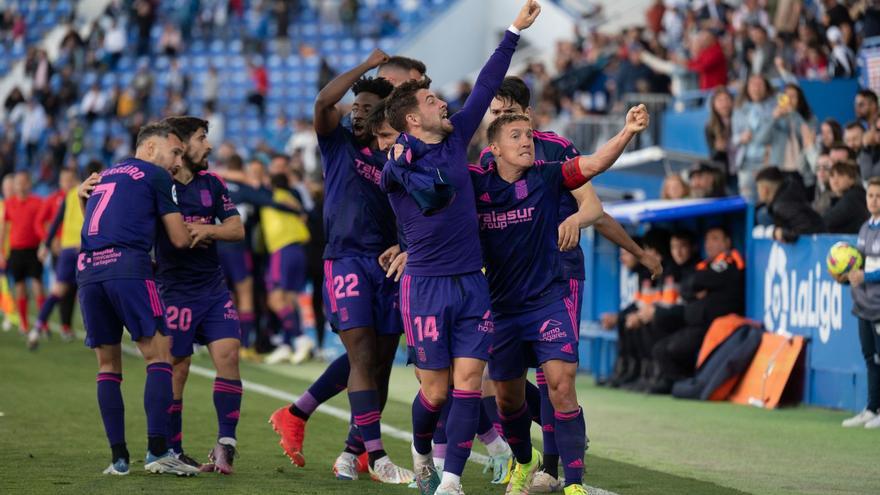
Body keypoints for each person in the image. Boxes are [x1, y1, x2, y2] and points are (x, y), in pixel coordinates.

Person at [380, 3, 541, 494]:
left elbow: (488, 85)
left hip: (473, 280)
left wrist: (513, 30)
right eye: (431, 100)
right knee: (436, 391)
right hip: (426, 286)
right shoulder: (396, 164)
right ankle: (421, 450)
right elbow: (426, 195)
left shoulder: (454, 140)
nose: (442, 103)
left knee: (470, 381)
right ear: (413, 116)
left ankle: (451, 481)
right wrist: (404, 156)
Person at [477, 75, 659, 491]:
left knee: (558, 379)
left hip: (556, 280)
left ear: (523, 112)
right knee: (503, 392)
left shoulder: (550, 160)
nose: (516, 133)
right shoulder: (481, 174)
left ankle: (563, 474)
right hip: (504, 298)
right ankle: (530, 457)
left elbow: (593, 194)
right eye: (499, 119)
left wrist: (627, 132)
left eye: (508, 114)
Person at [270, 51, 413, 484]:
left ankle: (345, 449)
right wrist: (365, 67)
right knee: (362, 354)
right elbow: (321, 104)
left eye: (367, 108)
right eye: (356, 106)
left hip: (388, 264)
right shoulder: (338, 144)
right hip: (346, 259)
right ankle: (377, 454)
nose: (357, 113)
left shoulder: (397, 157)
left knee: (382, 361)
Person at [76, 122, 200, 476]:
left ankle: (118, 460)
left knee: (107, 366)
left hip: (89, 270)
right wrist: (207, 231)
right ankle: (158, 451)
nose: (179, 161)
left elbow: (96, 220)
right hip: (128, 267)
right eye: (175, 152)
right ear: (149, 148)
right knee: (161, 356)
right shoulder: (155, 176)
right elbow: (178, 238)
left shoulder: (107, 174)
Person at [158, 116, 246, 474]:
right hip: (173, 291)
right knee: (178, 369)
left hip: (211, 289)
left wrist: (205, 228)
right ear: (181, 145)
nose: (208, 145)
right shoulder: (159, 185)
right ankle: (173, 450)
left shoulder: (212, 184)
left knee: (229, 354)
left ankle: (226, 444)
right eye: (201, 138)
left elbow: (236, 228)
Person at [650, 227, 744, 393]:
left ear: (727, 242)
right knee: (660, 347)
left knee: (672, 347)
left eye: (715, 239)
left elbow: (698, 280)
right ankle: (668, 380)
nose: (710, 244)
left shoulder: (729, 261)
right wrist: (698, 289)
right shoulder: (706, 264)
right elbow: (688, 286)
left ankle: (681, 383)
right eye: (707, 239)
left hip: (714, 325)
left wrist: (698, 287)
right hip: (695, 321)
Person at [841, 177, 880, 429]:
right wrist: (845, 275)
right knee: (870, 357)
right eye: (870, 196)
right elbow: (860, 263)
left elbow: (869, 270)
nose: (873, 200)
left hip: (879, 306)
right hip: (863, 304)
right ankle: (871, 408)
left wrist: (865, 276)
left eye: (878, 196)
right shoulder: (865, 228)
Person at [260, 173, 311, 364]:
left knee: (274, 299)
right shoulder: (291, 198)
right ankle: (287, 345)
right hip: (299, 250)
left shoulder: (270, 196)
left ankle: (299, 337)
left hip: (282, 249)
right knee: (290, 299)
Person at [33, 167, 85, 342]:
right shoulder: (75, 194)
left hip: (72, 248)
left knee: (65, 290)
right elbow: (56, 222)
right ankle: (39, 325)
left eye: (69, 179)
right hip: (75, 249)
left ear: (76, 178)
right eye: (63, 180)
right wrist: (46, 245)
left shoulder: (73, 194)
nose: (66, 183)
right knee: (63, 290)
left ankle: (39, 327)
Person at [0, 172, 44, 345]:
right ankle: (24, 324)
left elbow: (43, 223)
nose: (20, 186)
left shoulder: (37, 202)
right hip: (16, 250)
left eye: (23, 182)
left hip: (33, 249)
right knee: (19, 286)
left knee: (37, 284)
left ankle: (42, 323)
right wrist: (1, 251)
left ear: (29, 184)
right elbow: (3, 228)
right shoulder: (9, 204)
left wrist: (43, 244)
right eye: (17, 183)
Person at [732, 74, 783, 199]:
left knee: (770, 199)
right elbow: (734, 138)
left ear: (766, 87)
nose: (756, 88)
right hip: (746, 163)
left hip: (768, 161)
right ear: (747, 88)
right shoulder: (740, 109)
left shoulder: (775, 106)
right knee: (747, 201)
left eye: (760, 84)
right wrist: (741, 137)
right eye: (753, 84)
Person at [754, 167, 825, 242]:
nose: (757, 192)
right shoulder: (787, 193)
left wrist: (779, 233)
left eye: (758, 188)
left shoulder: (783, 206)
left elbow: (805, 228)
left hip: (819, 243)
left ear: (765, 190)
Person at [824, 161, 869, 234]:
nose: (835, 181)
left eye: (840, 175)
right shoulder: (850, 196)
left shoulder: (853, 198)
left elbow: (827, 221)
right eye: (832, 176)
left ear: (852, 179)